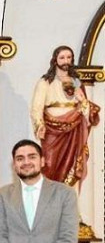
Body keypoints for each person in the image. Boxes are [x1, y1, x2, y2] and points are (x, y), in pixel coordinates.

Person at [30, 45, 100, 187]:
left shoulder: (76, 82)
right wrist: (40, 124)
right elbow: (37, 107)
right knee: (49, 163)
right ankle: (49, 195)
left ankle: (68, 198)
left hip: (74, 127)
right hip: (52, 129)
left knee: (72, 163)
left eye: (69, 57)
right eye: (62, 57)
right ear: (55, 60)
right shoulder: (46, 82)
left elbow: (85, 108)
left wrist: (82, 101)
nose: (66, 61)